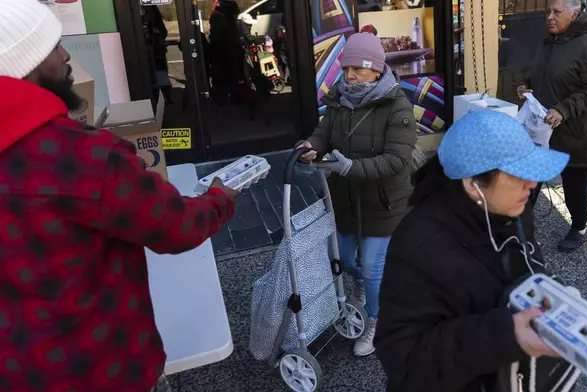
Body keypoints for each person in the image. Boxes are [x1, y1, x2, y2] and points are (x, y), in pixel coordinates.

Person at [0, 1, 238, 390]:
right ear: (27, 62)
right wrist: (221, 196)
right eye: (54, 46)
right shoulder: (83, 157)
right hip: (103, 370)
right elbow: (178, 227)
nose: (65, 55)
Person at [375, 111, 580, 391]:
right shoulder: (418, 247)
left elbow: (527, 265)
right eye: (518, 173)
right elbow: (405, 363)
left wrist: (552, 296)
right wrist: (505, 335)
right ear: (473, 185)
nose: (531, 184)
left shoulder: (514, 210)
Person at [297, 32, 417, 357]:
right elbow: (324, 132)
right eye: (346, 68)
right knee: (343, 257)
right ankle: (364, 286)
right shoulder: (339, 98)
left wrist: (350, 167)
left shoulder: (397, 106)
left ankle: (378, 321)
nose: (349, 76)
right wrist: (311, 146)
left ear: (376, 70)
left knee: (373, 268)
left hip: (384, 203)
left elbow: (396, 160)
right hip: (345, 200)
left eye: (358, 70)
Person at [517, 0, 587, 253]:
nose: (550, 17)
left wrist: (564, 109)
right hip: (542, 130)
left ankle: (579, 227)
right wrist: (526, 87)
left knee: (574, 185)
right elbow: (542, 75)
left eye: (557, 12)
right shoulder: (548, 41)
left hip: (575, 132)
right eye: (548, 11)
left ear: (575, 14)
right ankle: (519, 230)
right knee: (529, 180)